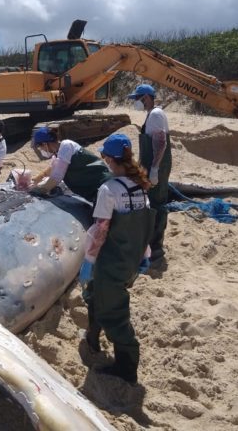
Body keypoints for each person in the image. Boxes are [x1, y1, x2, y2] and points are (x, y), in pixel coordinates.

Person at [79, 133, 155, 384]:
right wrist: (144, 254)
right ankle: (92, 338)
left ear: (110, 160)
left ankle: (126, 366)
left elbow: (101, 229)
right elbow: (143, 226)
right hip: (131, 257)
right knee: (95, 295)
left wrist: (89, 261)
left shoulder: (108, 189)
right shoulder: (140, 186)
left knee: (114, 312)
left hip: (111, 260)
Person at [128, 83, 172, 264]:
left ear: (146, 98)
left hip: (158, 167)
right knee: (152, 203)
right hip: (153, 166)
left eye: (137, 99)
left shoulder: (155, 115)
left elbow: (160, 143)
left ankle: (156, 250)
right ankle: (151, 244)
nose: (136, 102)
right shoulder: (152, 114)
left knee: (156, 205)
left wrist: (154, 169)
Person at [27, 126, 112, 204]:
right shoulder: (59, 153)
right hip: (96, 190)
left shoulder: (66, 146)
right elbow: (53, 168)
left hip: (104, 186)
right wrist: (36, 179)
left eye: (40, 147)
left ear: (45, 144)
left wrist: (39, 190)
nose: (41, 150)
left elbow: (57, 176)